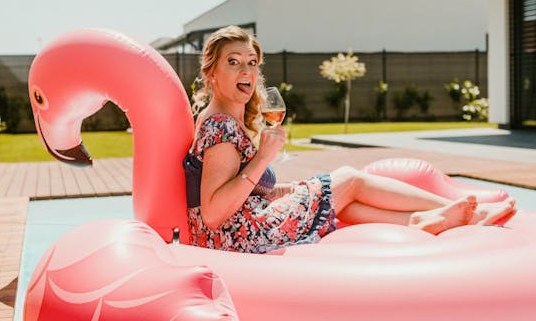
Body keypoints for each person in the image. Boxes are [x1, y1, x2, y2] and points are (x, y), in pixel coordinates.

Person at [187, 25, 515, 253]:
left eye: (251, 62)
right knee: (350, 179)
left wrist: (293, 187)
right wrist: (262, 159)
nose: (246, 70)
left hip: (243, 227)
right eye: (233, 62)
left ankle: (420, 220)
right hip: (243, 236)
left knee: (339, 194)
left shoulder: (223, 119)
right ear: (211, 72)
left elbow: (246, 189)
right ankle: (464, 212)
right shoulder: (220, 126)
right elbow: (215, 213)